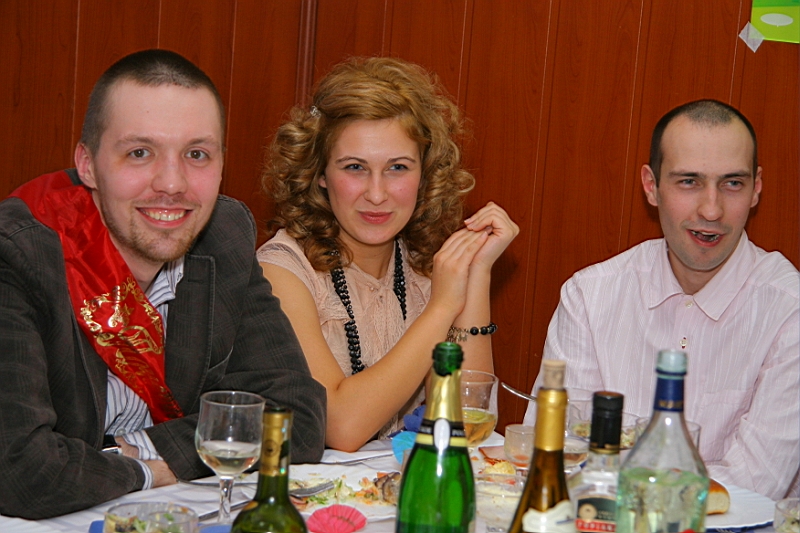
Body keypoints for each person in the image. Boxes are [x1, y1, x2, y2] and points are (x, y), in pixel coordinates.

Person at [0, 49, 326, 519]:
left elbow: (296, 418)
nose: (172, 184)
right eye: (140, 152)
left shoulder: (223, 235)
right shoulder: (18, 254)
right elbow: (20, 472)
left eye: (196, 154)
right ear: (87, 164)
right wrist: (146, 470)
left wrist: (141, 452)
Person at [524, 99, 799, 499]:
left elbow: (755, 488)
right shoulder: (590, 295)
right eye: (689, 181)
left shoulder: (789, 309)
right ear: (651, 186)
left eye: (732, 183)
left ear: (756, 188)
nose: (711, 210)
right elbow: (557, 452)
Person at [257, 57, 519, 451]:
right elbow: (341, 427)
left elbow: (466, 421)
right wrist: (442, 308)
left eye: (397, 167)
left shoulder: (425, 266)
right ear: (320, 174)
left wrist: (477, 273)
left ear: (424, 173)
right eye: (355, 167)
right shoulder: (280, 270)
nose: (377, 194)